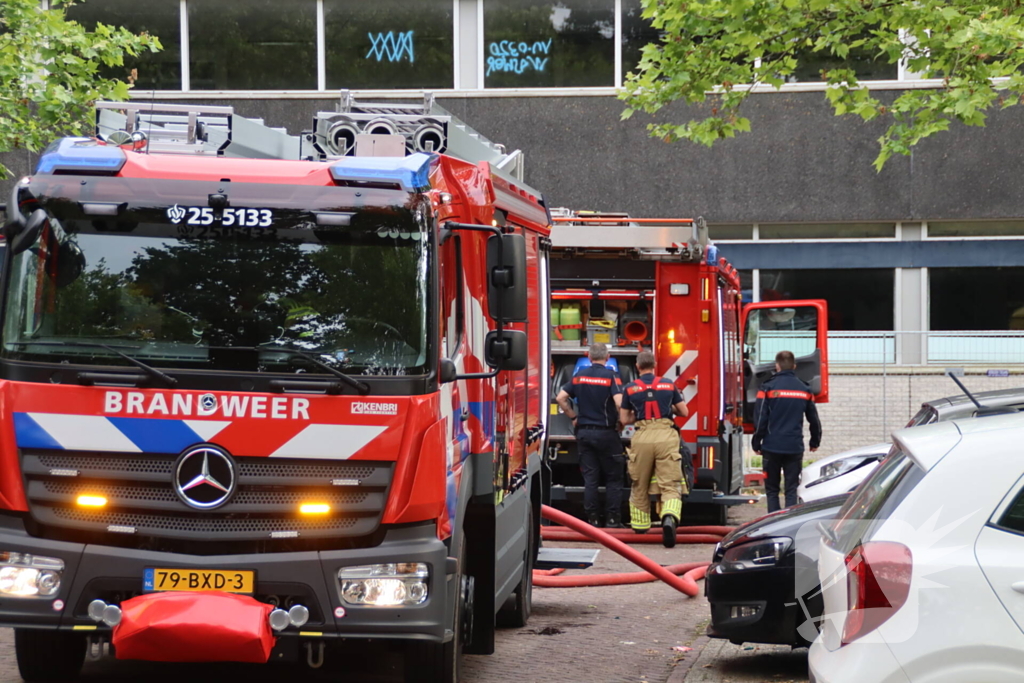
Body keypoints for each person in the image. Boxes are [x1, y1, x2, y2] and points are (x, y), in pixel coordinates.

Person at [619, 351, 689, 547]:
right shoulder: (668, 384)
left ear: (637, 366)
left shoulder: (630, 388)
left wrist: (638, 416)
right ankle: (668, 517)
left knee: (639, 482)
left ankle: (641, 526)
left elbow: (624, 420)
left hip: (642, 436)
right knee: (670, 483)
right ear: (655, 364)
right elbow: (684, 411)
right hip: (666, 436)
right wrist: (668, 409)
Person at [555, 343, 625, 528]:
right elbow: (619, 402)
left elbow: (560, 398)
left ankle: (592, 520)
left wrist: (573, 416)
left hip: (584, 433)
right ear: (608, 357)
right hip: (607, 433)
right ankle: (612, 520)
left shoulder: (578, 376)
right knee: (613, 478)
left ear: (588, 356)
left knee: (590, 479)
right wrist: (622, 422)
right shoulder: (612, 376)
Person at [752, 350, 822, 513]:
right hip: (794, 447)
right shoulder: (805, 389)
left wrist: (757, 442)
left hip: (771, 446)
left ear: (777, 366)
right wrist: (814, 441)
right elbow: (814, 419)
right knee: (791, 489)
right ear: (794, 366)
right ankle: (788, 523)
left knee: (772, 490)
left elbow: (761, 418)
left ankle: (772, 523)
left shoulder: (768, 387)